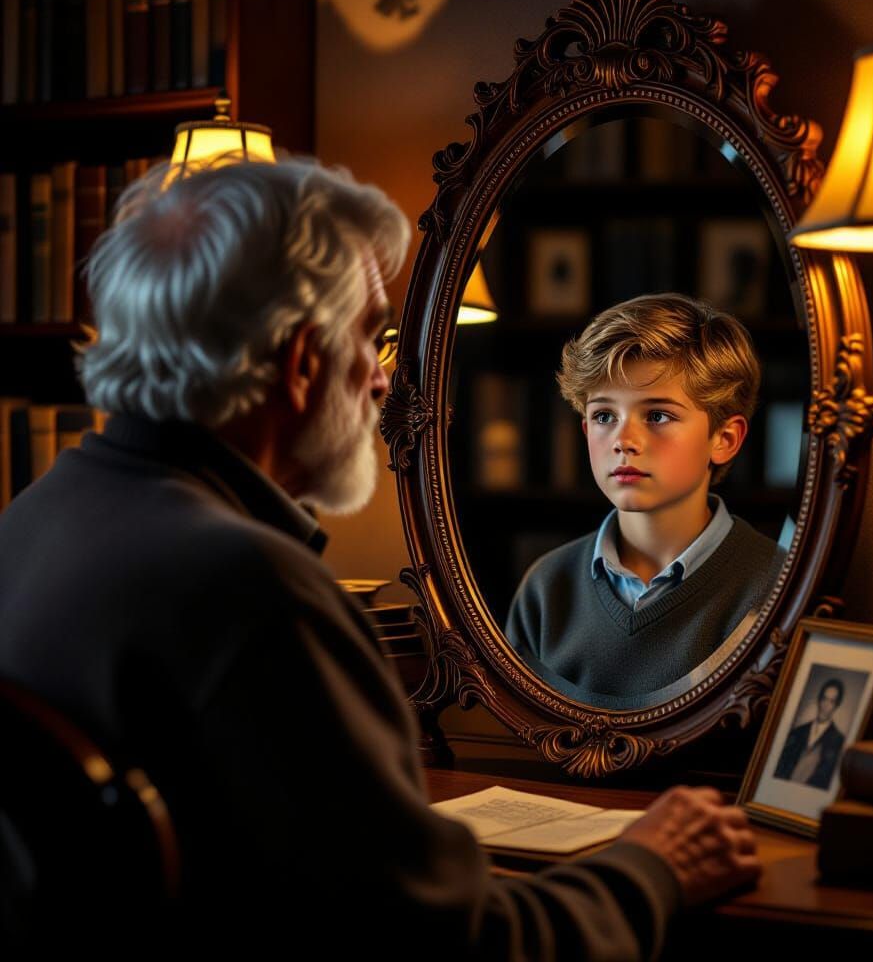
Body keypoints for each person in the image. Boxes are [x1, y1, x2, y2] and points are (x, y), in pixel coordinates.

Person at [0, 159, 761, 954]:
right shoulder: (252, 592)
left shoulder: (29, 520)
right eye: (372, 336)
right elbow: (454, 947)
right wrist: (653, 864)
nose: (386, 376)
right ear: (301, 363)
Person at [506, 294, 788, 705]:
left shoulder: (775, 585)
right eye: (604, 416)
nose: (624, 441)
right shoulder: (547, 588)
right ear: (586, 430)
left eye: (657, 415)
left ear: (724, 439)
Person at [773, 677, 847, 790]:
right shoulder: (797, 733)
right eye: (824, 699)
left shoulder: (839, 741)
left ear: (836, 706)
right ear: (819, 700)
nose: (825, 705)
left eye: (831, 701)